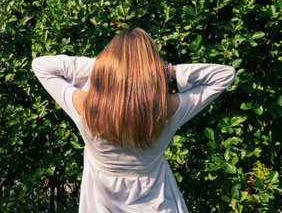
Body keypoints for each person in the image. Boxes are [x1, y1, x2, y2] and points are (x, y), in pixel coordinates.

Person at [32, 28, 235, 212]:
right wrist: (167, 71)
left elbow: (40, 65)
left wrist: (105, 68)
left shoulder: (85, 106)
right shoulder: (166, 110)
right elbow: (224, 75)